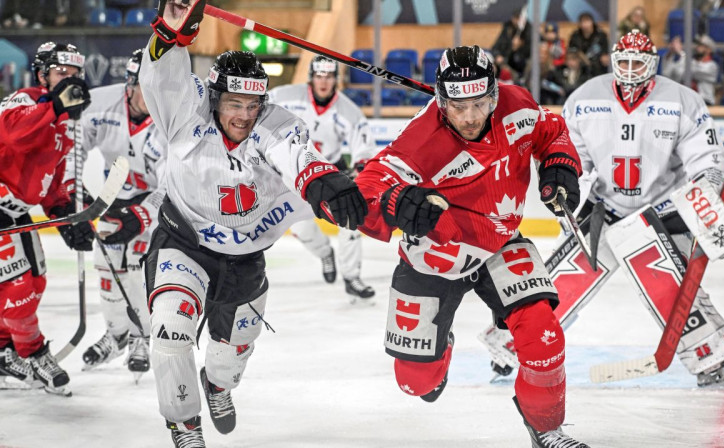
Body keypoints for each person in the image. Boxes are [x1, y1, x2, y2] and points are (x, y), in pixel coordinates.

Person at [139, 1, 366, 446]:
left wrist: (320, 179)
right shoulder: (187, 109)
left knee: (229, 359)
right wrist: (170, 31)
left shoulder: (276, 122)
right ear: (214, 96)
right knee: (171, 330)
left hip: (243, 260)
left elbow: (296, 152)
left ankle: (218, 385)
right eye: (233, 103)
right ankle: (184, 423)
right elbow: (162, 74)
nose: (243, 114)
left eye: (252, 104)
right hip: (183, 244)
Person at [354, 45, 589, 448]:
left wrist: (559, 163)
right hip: (434, 256)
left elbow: (551, 131)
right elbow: (366, 190)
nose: (470, 117)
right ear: (441, 101)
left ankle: (546, 428)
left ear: (495, 94)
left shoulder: (517, 104)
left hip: (500, 242)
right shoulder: (421, 140)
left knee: (543, 335)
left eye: (480, 103)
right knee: (417, 384)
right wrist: (396, 201)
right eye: (458, 107)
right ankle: (438, 346)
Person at [562, 30, 724, 386]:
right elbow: (568, 159)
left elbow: (709, 161)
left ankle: (708, 356)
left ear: (652, 64)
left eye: (636, 62)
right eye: (622, 61)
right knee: (564, 279)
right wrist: (572, 197)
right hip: (603, 208)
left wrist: (699, 197)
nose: (628, 70)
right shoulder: (584, 98)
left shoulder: (682, 101)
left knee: (668, 284)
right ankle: (515, 344)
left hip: (662, 210)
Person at [0, 41, 92, 396]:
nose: (69, 79)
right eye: (60, 72)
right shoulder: (25, 100)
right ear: (42, 74)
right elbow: (14, 135)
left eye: (74, 74)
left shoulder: (65, 122)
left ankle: (4, 350)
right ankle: (34, 353)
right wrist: (53, 105)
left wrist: (65, 215)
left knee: (34, 282)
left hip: (16, 212)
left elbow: (51, 180)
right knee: (19, 288)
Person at [68, 49, 167, 380]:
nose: (152, 97)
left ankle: (142, 336)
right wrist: (73, 194)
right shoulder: (99, 104)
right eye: (144, 87)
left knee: (138, 267)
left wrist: (144, 215)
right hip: (115, 196)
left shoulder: (174, 119)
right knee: (107, 269)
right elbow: (73, 149)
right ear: (129, 84)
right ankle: (116, 335)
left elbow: (176, 184)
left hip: (155, 201)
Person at [269, 56, 377, 302]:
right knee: (300, 227)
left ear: (335, 79)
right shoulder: (286, 95)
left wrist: (360, 167)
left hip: (331, 174)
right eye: (319, 76)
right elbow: (261, 110)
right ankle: (325, 253)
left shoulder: (348, 110)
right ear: (311, 77)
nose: (324, 81)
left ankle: (352, 278)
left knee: (350, 220)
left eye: (329, 76)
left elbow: (364, 147)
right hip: (296, 175)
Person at [662, 34, 719, 105]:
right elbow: (668, 74)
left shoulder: (712, 66)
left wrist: (681, 53)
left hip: (705, 103)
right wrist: (670, 54)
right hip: (687, 102)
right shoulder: (689, 62)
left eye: (701, 45)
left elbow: (691, 71)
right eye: (697, 45)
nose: (697, 47)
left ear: (709, 50)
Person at [491, 6, 532, 83]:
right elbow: (495, 47)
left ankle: (520, 82)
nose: (517, 21)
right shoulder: (507, 29)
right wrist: (497, 56)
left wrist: (519, 47)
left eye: (519, 18)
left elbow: (530, 51)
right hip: (505, 61)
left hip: (520, 63)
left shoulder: (529, 30)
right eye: (515, 18)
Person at [567, 12, 610, 77]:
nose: (585, 25)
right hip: (580, 66)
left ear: (592, 22)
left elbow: (606, 51)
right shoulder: (575, 36)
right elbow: (571, 51)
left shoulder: (601, 35)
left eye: (587, 21)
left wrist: (605, 56)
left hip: (598, 65)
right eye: (583, 22)